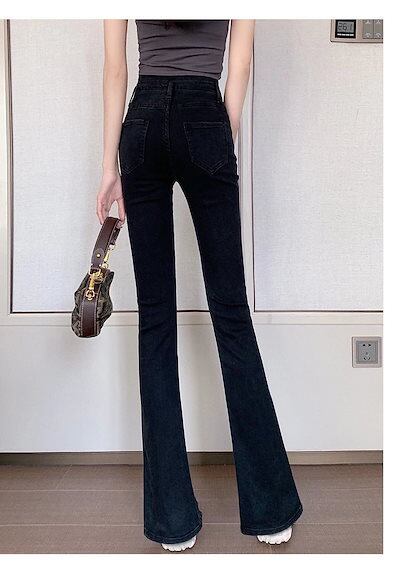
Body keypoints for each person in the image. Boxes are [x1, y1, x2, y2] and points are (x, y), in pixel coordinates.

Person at [96, 19, 303, 552]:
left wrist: (108, 166)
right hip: (205, 111)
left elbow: (116, 69)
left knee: (155, 319)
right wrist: (217, 137)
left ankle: (172, 521)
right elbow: (241, 62)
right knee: (231, 313)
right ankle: (270, 512)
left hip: (141, 120)